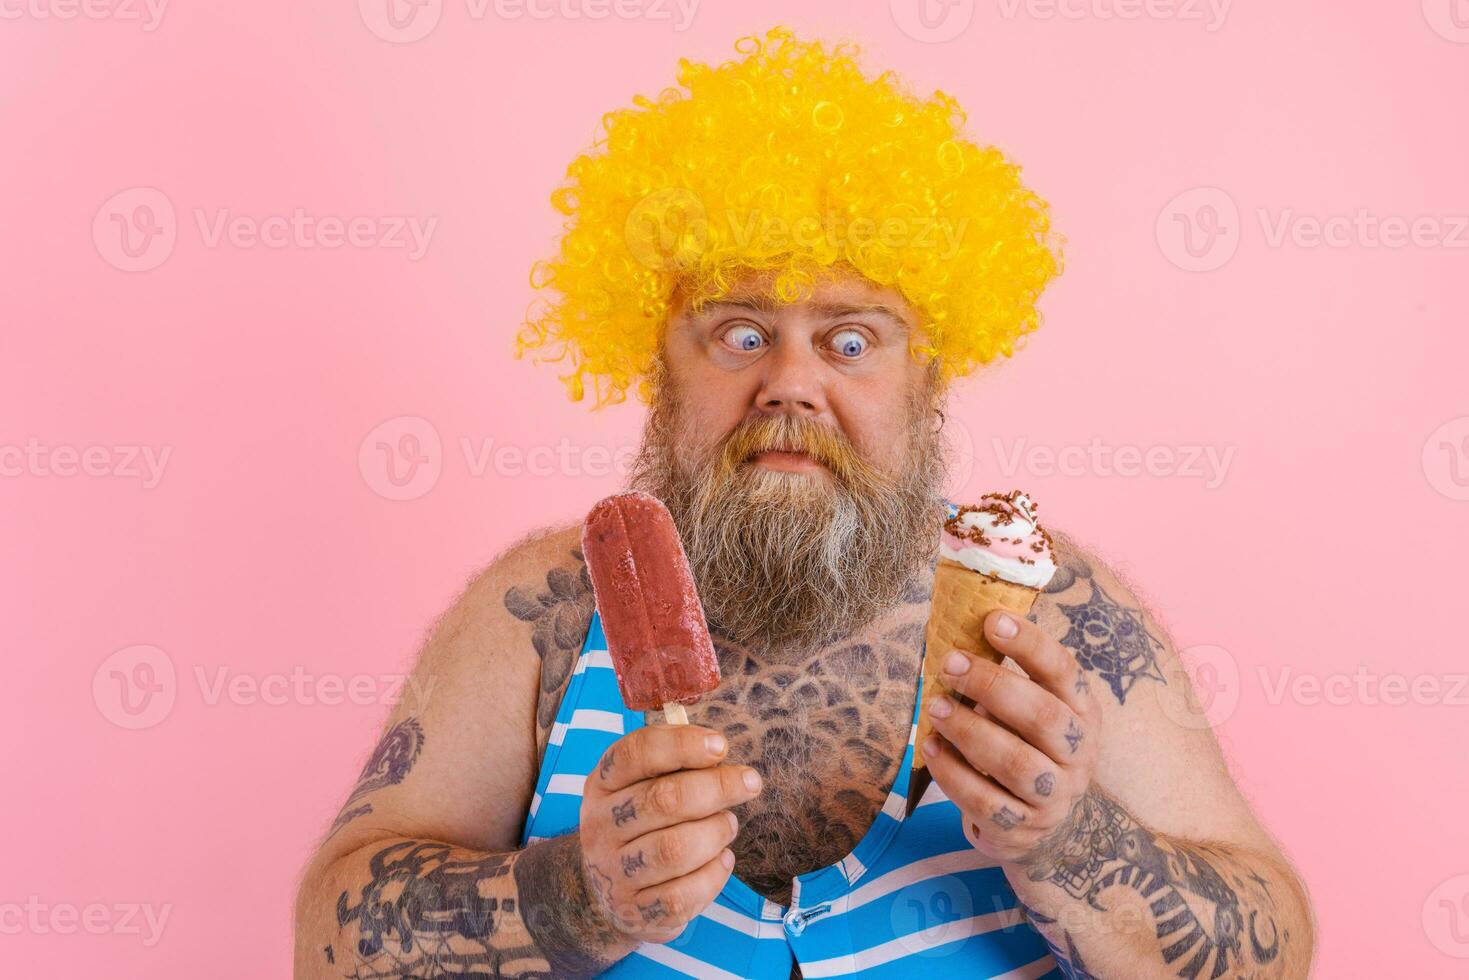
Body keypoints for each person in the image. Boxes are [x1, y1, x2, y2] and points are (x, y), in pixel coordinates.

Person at [294, 27, 1313, 979]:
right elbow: (327, 936)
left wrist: (1070, 839)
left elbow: (1277, 944)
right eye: (738, 332)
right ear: (657, 363)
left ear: (928, 378)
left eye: (850, 339)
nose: (788, 381)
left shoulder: (1044, 617)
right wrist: (578, 892)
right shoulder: (548, 610)